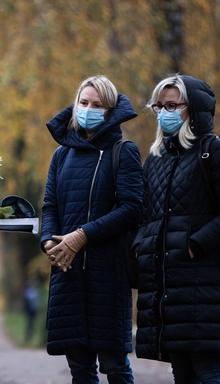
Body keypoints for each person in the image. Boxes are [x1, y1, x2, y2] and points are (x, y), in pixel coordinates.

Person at [132, 75, 220, 384]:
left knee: (208, 369)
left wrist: (195, 244)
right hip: (164, 283)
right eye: (159, 106)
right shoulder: (156, 158)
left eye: (172, 105)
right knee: (182, 370)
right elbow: (146, 216)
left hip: (201, 281)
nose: (164, 113)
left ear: (193, 109)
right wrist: (142, 251)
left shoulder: (216, 152)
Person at [41, 75, 144, 383]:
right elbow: (50, 207)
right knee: (80, 370)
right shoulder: (61, 155)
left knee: (115, 367)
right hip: (67, 275)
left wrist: (82, 236)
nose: (88, 109)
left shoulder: (123, 151)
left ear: (110, 111)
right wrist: (49, 241)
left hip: (107, 276)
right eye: (83, 103)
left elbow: (132, 209)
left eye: (97, 105)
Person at [22, 278, 40, 344]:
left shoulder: (31, 291)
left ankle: (30, 338)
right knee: (29, 324)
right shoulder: (30, 292)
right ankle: (28, 338)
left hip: (32, 311)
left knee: (31, 324)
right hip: (30, 311)